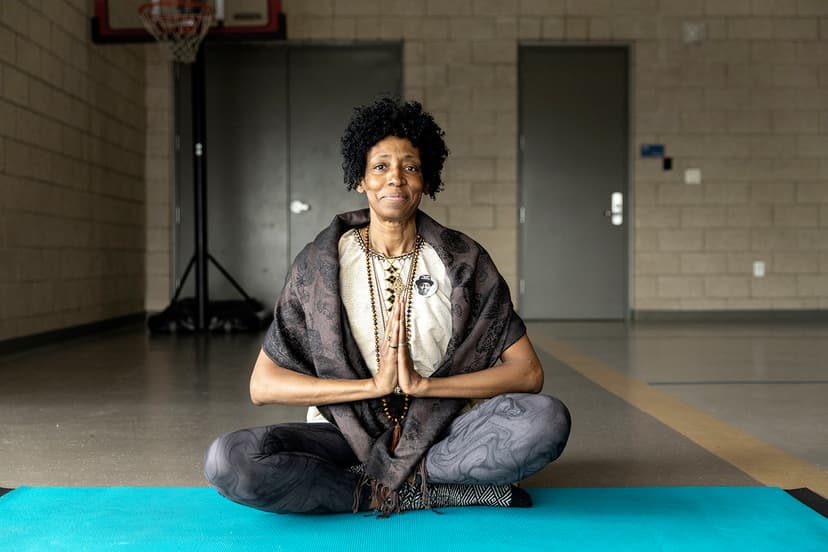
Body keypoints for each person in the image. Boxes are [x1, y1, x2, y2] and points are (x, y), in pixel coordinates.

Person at [204, 97, 571, 516]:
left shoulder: (464, 261)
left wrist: (424, 386)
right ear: (360, 178)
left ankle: (370, 488)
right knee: (229, 460)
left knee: (546, 420)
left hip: (444, 429)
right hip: (342, 434)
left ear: (426, 180)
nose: (395, 179)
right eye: (380, 166)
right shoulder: (319, 265)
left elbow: (528, 372)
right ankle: (434, 490)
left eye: (410, 167)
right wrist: (372, 387)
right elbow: (264, 385)